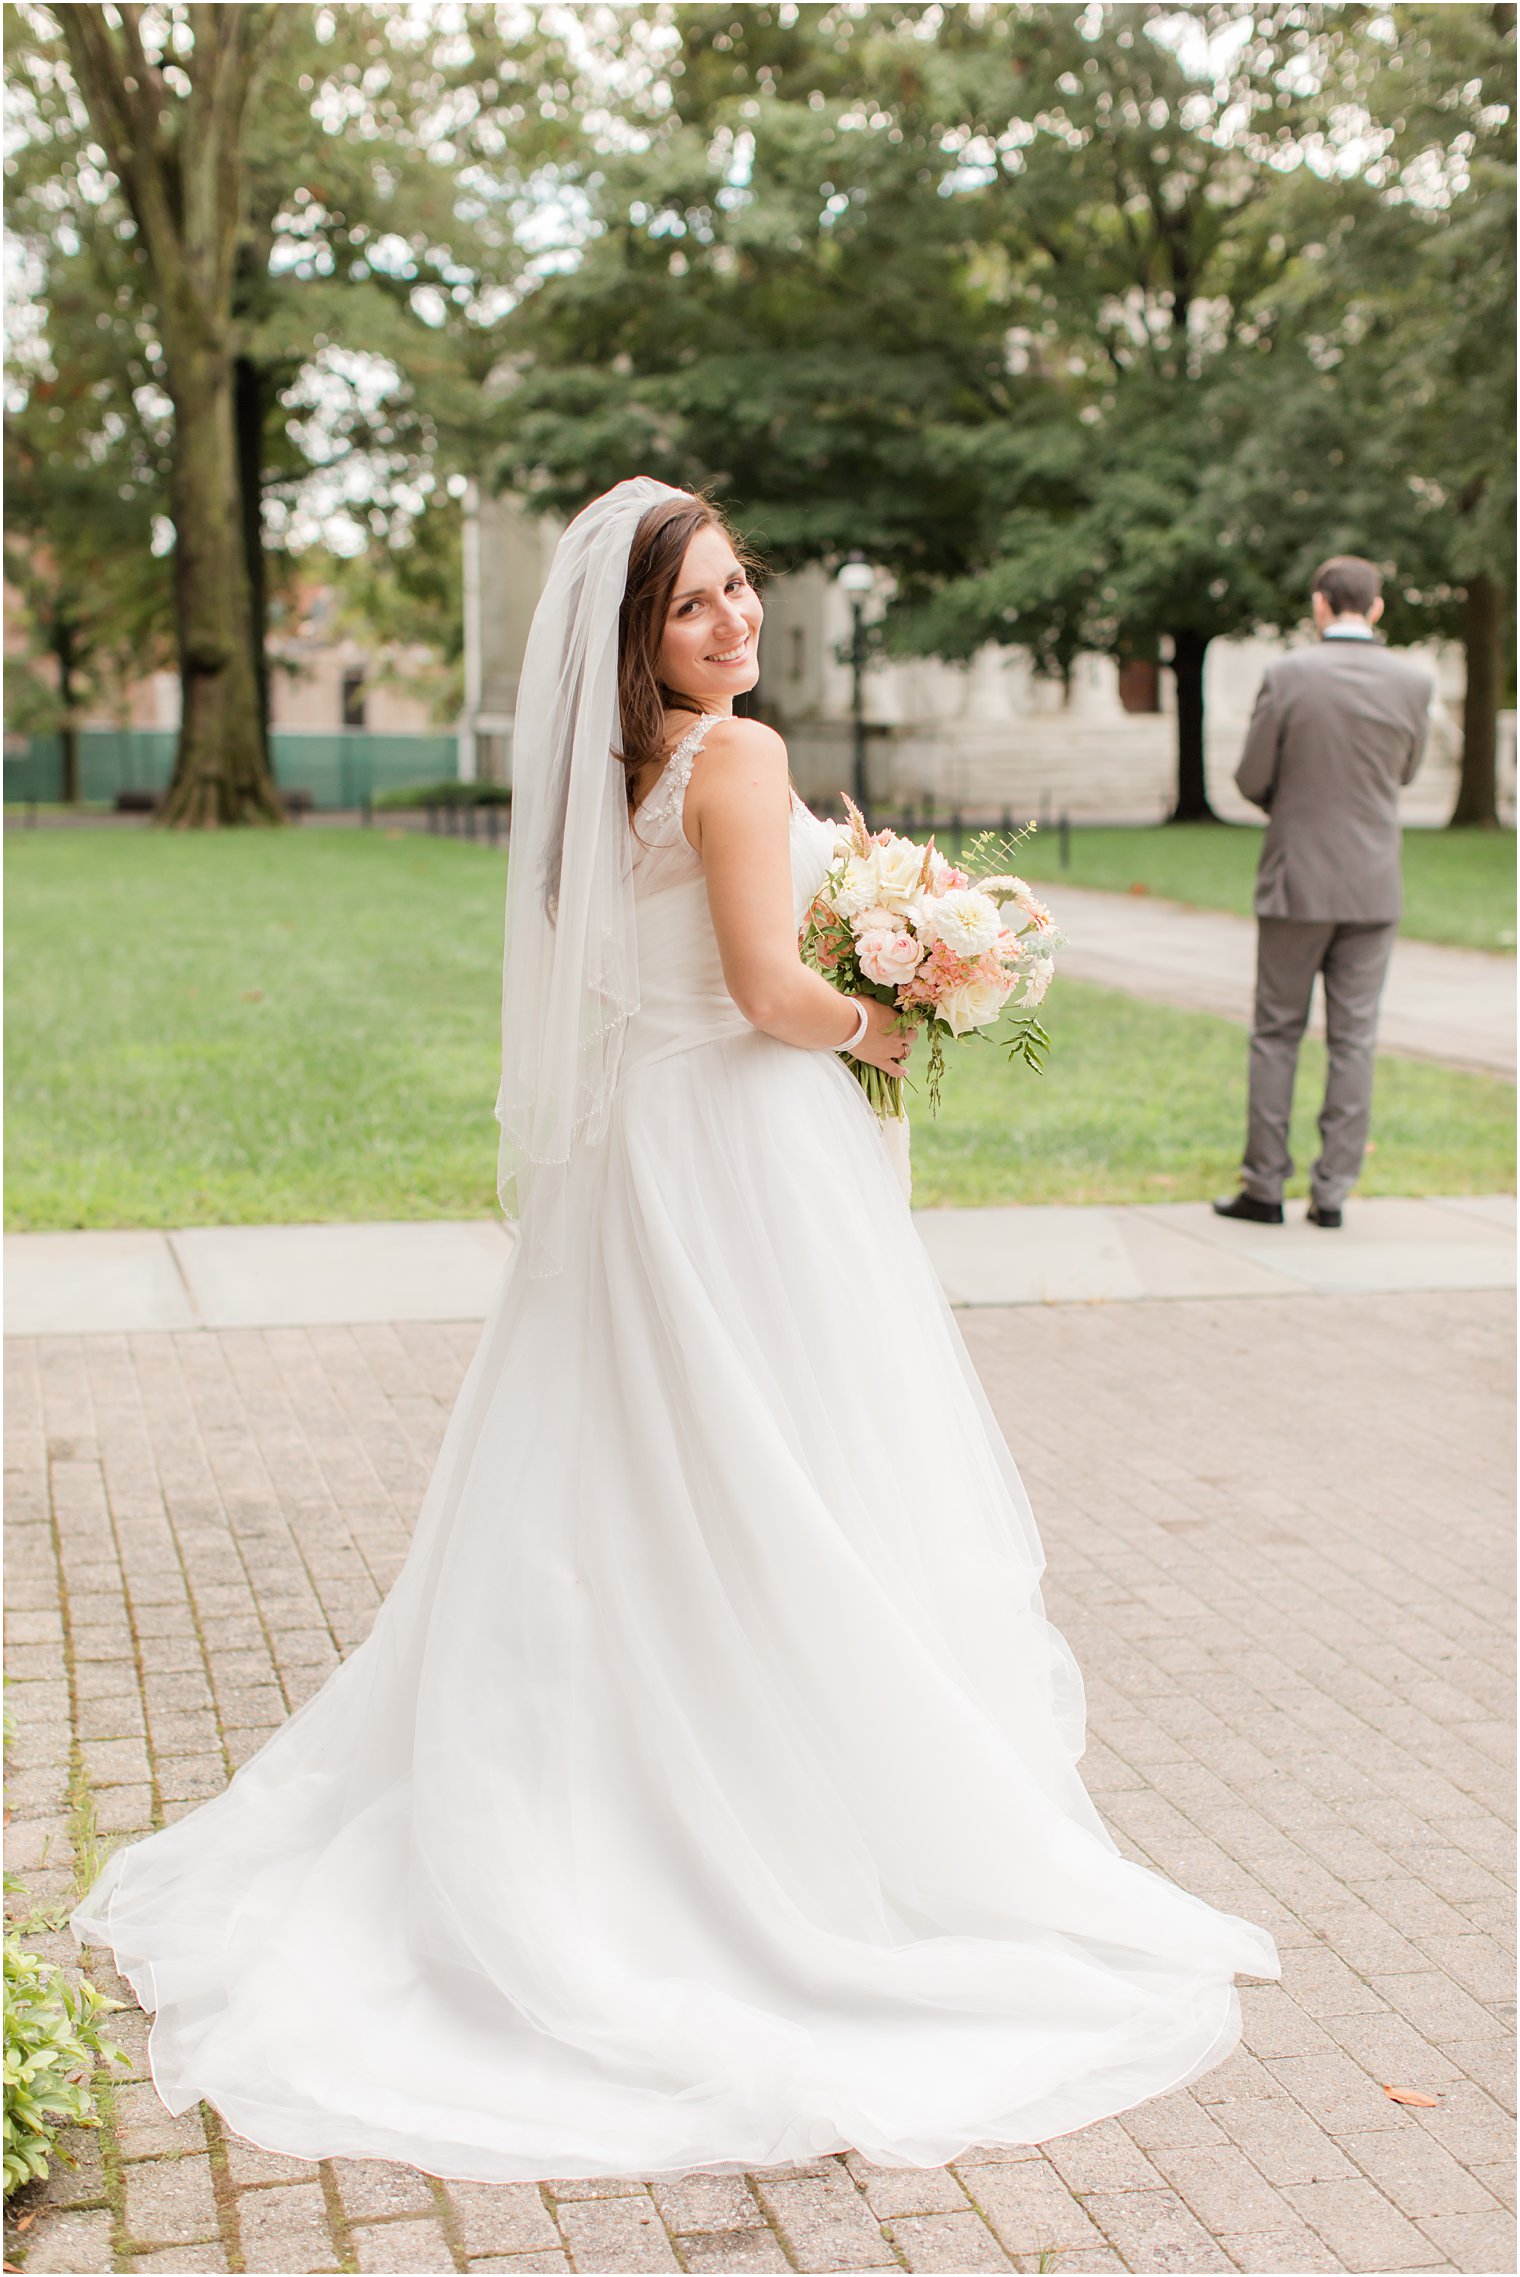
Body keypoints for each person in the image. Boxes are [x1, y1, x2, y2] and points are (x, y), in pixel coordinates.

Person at [72, 478, 1279, 2183]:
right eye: (694, 606)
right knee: (784, 1475)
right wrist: (894, 1006)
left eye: (742, 590)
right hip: (741, 1158)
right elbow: (763, 994)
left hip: (635, 1167)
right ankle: (783, 1841)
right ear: (635, 637)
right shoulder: (742, 759)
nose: (735, 625)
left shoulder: (608, 776)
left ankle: (608, 1797)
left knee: (626, 1479)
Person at [1215, 554, 1434, 1231]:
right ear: (1375, 609)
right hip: (1372, 883)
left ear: (1318, 605)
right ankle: (1333, 1191)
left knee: (1277, 1033)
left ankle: (1265, 1186)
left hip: (1296, 880)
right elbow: (1408, 770)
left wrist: (1295, 800)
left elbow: (1252, 776)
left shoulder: (1287, 675)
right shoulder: (1412, 681)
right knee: (1355, 1040)